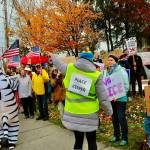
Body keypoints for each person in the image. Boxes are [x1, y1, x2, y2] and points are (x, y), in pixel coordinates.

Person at [48, 49, 113, 150]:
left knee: (78, 141)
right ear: (91, 60)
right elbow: (103, 98)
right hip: (90, 114)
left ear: (80, 58)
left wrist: (53, 55)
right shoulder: (96, 75)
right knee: (92, 141)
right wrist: (109, 111)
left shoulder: (69, 69)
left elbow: (59, 64)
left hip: (73, 112)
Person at [106, 55, 129, 146]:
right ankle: (116, 135)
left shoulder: (121, 71)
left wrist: (118, 96)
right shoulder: (108, 71)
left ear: (116, 61)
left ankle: (124, 138)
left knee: (121, 118)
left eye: (111, 60)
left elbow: (126, 86)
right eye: (108, 60)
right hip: (112, 99)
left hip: (121, 99)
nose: (109, 62)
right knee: (114, 118)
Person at [0, 63, 19, 149]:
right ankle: (11, 141)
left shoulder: (6, 78)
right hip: (9, 108)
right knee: (12, 124)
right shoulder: (6, 79)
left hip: (6, 108)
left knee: (2, 125)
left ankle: (4, 140)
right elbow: (15, 86)